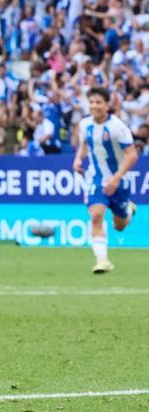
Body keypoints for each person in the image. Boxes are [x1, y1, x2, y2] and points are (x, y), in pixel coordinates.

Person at [72, 86, 139, 274]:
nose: (94, 106)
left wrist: (116, 178)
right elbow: (86, 144)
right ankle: (102, 261)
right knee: (96, 216)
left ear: (107, 105)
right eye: (92, 102)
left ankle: (128, 211)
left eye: (99, 102)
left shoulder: (117, 127)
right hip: (96, 178)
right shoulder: (85, 125)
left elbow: (132, 155)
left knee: (119, 226)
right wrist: (78, 159)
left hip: (119, 181)